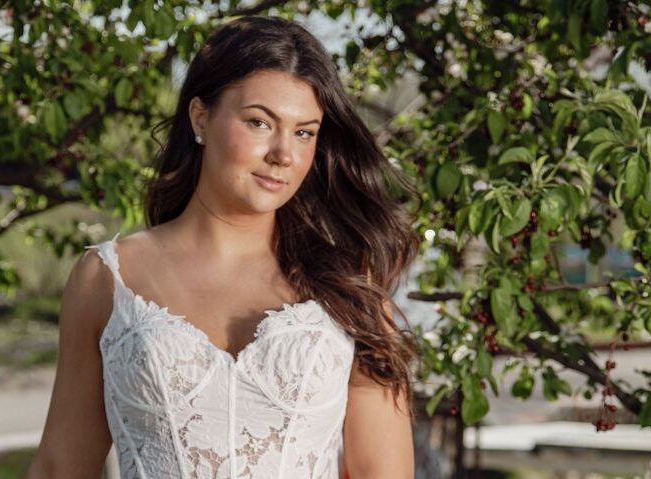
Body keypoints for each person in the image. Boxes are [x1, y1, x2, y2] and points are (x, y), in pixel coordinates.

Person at [28, 14, 420, 479]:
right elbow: (61, 467)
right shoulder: (108, 279)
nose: (284, 154)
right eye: (259, 122)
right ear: (200, 117)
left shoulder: (351, 288)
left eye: (304, 132)